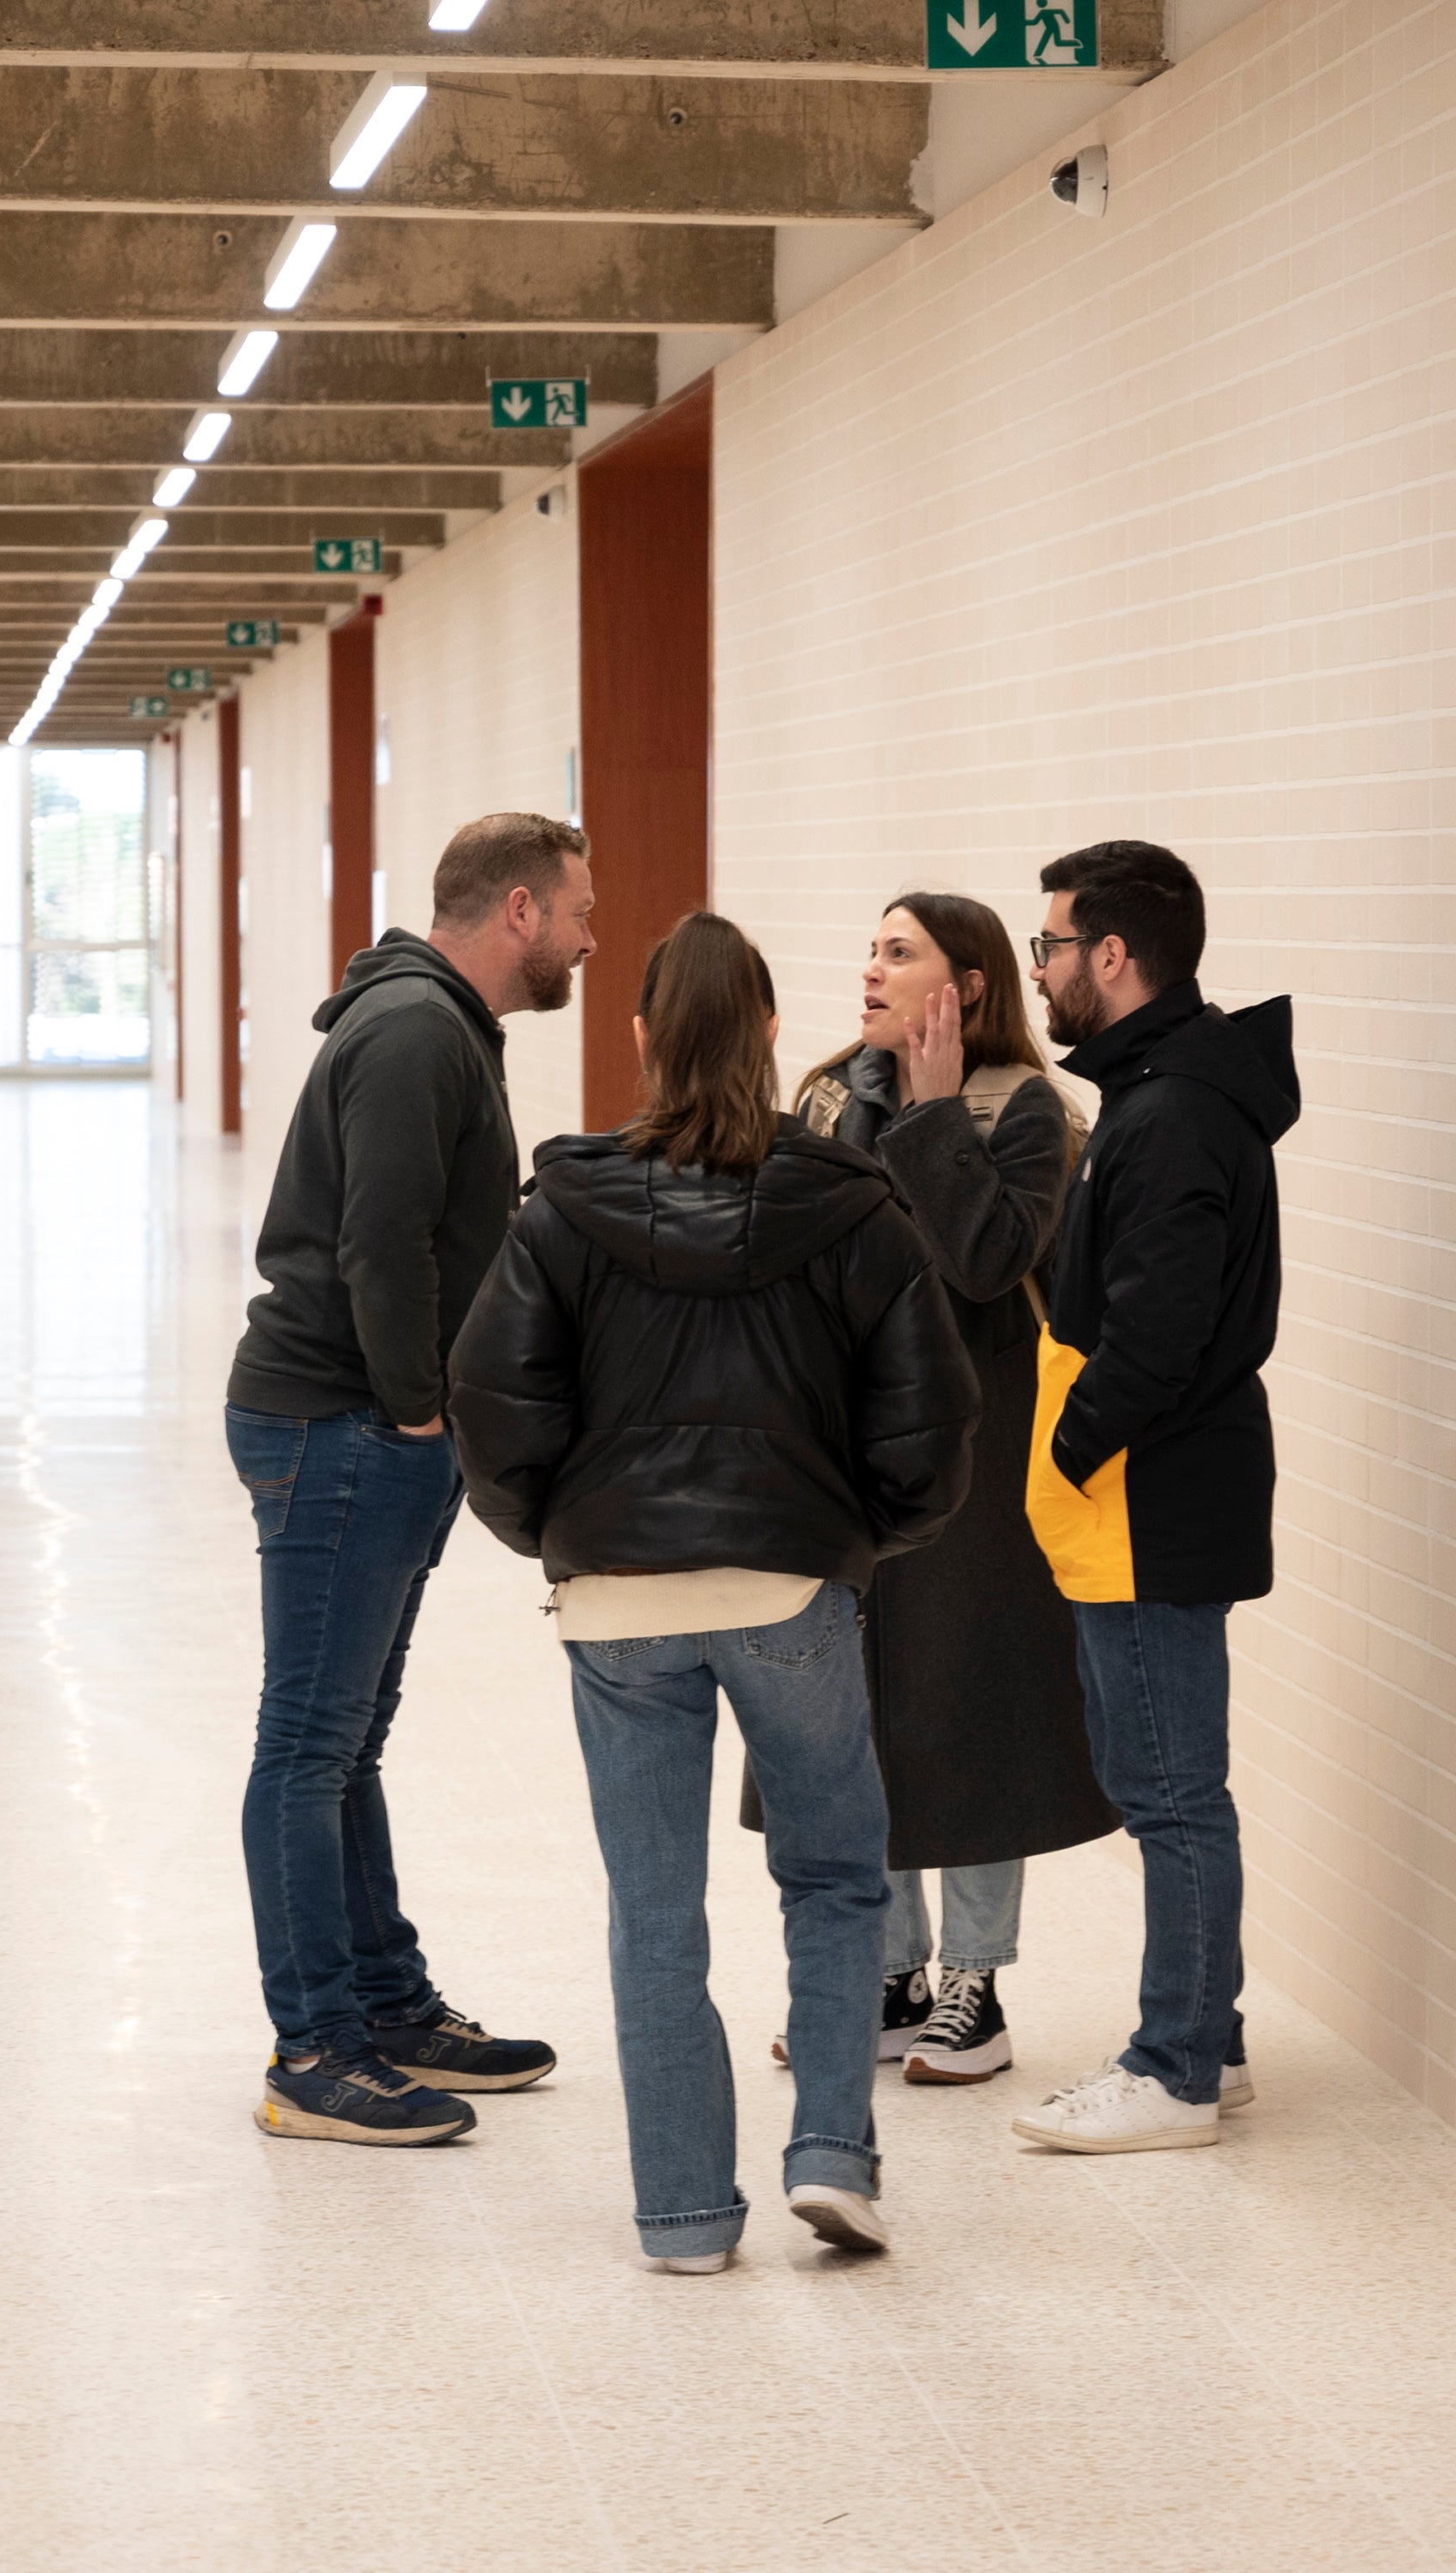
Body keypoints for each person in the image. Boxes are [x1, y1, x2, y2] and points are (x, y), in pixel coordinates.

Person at [448, 912, 977, 2269]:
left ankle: (683, 2214)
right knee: (836, 1876)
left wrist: (559, 1535)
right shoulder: (851, 1207)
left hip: (620, 1602)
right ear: (762, 1035)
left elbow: (491, 1402)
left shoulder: (563, 1208)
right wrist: (863, 1541)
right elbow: (930, 1413)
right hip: (790, 1585)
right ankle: (831, 2155)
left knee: (654, 1910)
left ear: (638, 1041)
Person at [224, 812, 596, 2145]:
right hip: (340, 1425)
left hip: (361, 1427)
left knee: (346, 1740)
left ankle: (384, 2006)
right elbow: (383, 1246)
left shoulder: (436, 1023)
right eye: (576, 914)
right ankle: (312, 2051)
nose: (587, 940)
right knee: (309, 1745)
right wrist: (421, 1410)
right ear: (515, 911)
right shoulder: (416, 1032)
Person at [754, 895, 1117, 2087]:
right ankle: (890, 1976)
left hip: (976, 1449)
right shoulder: (820, 1097)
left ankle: (977, 1984)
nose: (869, 968)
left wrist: (923, 1115)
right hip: (845, 1452)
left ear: (959, 989)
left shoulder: (1028, 1112)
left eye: (898, 953)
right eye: (869, 946)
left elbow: (983, 1262)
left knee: (968, 1709)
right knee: (857, 1710)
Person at [1009, 841, 1296, 2154]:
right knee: (1171, 1779)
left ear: (1112, 957)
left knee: (1172, 1790)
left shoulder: (1173, 1109)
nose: (1044, 970)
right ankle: (1211, 2040)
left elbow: (1160, 1328)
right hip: (1155, 1489)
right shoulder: (1161, 1090)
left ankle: (1173, 2068)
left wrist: (1073, 1445)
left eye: (1052, 946)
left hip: (1150, 1495)